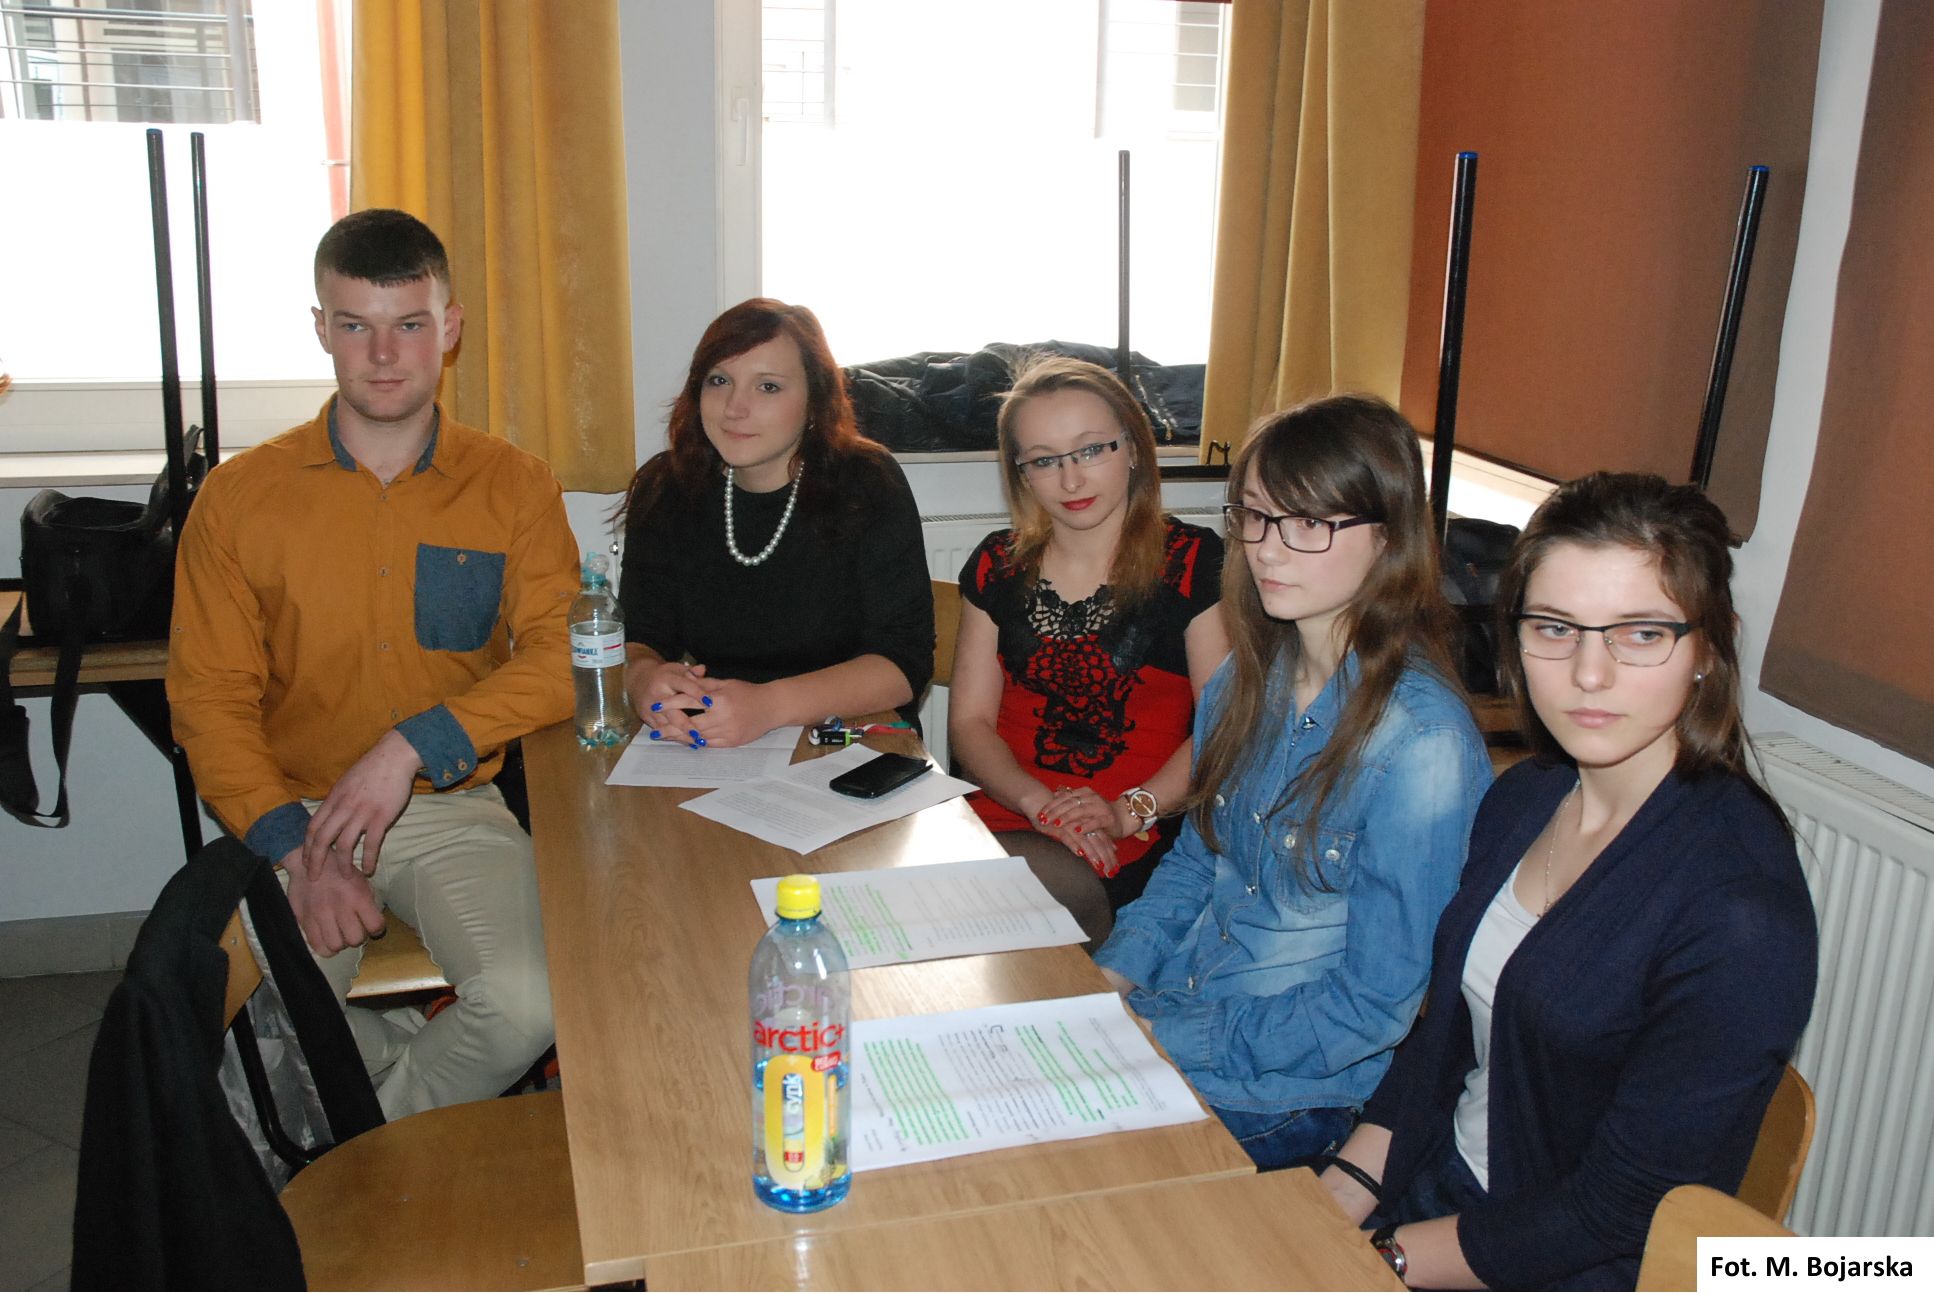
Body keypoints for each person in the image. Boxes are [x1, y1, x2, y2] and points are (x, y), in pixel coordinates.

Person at [1321, 473, 1819, 1291]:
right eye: (1555, 627)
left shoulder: (1740, 911)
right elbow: (1441, 1049)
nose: (1589, 673)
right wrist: (1337, 1198)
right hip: (1441, 1191)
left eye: (1641, 634)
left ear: (1708, 649)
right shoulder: (1525, 797)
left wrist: (1381, 1261)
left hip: (1564, 1263)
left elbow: (1616, 1213)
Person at [168, 209, 576, 1117]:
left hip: (449, 806)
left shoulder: (514, 484)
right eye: (356, 325)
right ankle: (393, 1107)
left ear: (450, 328)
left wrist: (409, 747)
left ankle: (371, 1132)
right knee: (264, 1016)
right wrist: (298, 851)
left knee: (532, 1006)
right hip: (296, 813)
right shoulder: (239, 497)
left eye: (409, 324)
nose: (384, 355)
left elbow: (561, 659)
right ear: (321, 328)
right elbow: (208, 700)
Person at [1095, 394, 1493, 1171]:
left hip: (1291, 1096)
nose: (1267, 551)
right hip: (1179, 1019)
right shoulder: (1244, 680)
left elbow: (1371, 1007)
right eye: (1254, 515)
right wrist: (1110, 979)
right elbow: (1196, 863)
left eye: (1308, 523)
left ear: (1387, 535)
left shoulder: (1423, 746)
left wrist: (1161, 1037)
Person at [949, 356, 1228, 945]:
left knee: (1000, 907)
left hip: (1134, 824)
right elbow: (970, 724)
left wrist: (1128, 810)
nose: (1071, 480)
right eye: (1044, 460)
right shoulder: (997, 562)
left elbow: (1223, 726)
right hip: (1010, 806)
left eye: (1092, 450)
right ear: (1022, 473)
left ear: (1133, 448)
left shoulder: (1195, 562)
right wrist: (1038, 803)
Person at [618, 299, 933, 746]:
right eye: (719, 380)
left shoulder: (867, 482)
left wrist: (767, 707)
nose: (734, 408)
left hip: (852, 736)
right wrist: (644, 679)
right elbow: (641, 636)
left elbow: (903, 665)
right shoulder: (666, 486)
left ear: (815, 400)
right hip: (718, 740)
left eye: (768, 387)